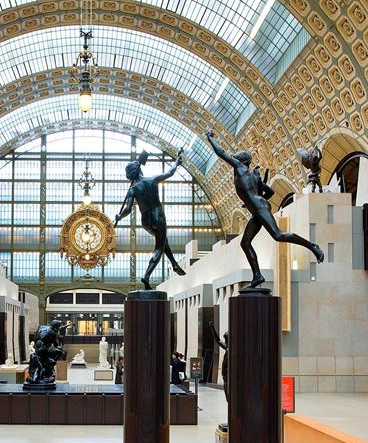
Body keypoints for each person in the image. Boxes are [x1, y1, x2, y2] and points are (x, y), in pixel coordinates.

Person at [206, 132, 325, 288]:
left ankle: (312, 246)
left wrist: (210, 139)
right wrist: (254, 200)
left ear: (242, 161)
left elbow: (221, 153)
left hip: (259, 208)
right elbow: (270, 192)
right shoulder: (253, 177)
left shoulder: (240, 168)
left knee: (278, 235)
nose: (233, 159)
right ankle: (257, 276)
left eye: (236, 158)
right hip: (257, 209)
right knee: (245, 243)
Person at [115, 149, 187, 289]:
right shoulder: (152, 180)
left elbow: (127, 210)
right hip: (158, 216)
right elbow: (170, 173)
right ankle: (147, 276)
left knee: (163, 240)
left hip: (146, 221)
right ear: (139, 170)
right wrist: (176, 163)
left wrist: (119, 217)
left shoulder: (133, 189)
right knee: (159, 247)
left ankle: (174, 264)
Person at [209, 320, 229, 404]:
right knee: (227, 394)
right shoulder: (227, 347)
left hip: (228, 375)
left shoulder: (231, 348)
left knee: (229, 394)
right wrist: (212, 328)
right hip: (225, 375)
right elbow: (218, 341)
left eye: (226, 338)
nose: (225, 340)